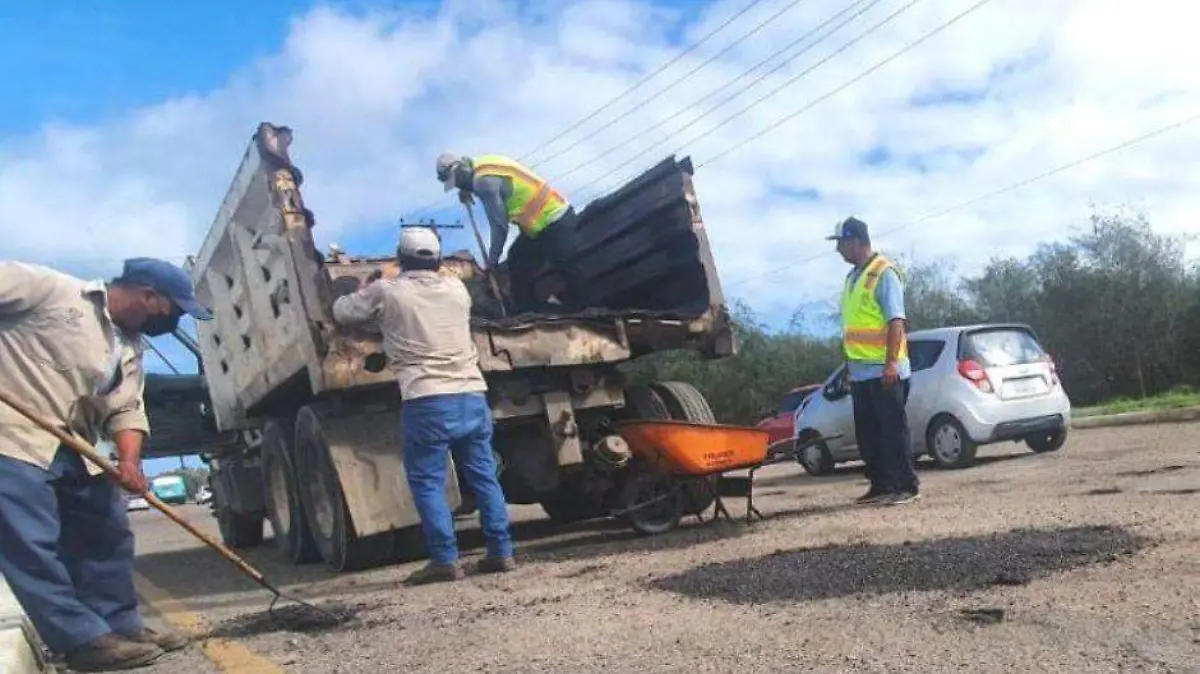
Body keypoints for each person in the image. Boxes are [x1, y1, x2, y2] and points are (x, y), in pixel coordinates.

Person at [0, 257, 213, 671]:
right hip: (14, 436)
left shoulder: (131, 347)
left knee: (106, 532)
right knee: (31, 543)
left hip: (75, 443)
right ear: (149, 296)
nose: (174, 322)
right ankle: (82, 641)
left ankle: (119, 626)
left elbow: (127, 410)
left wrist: (130, 462)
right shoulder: (51, 290)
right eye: (174, 310)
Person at [331, 226, 515, 585]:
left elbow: (344, 312)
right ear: (436, 256)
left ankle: (445, 560)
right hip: (472, 392)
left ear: (402, 258)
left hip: (427, 397)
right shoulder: (457, 289)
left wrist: (361, 287)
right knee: (483, 475)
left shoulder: (387, 291)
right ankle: (501, 552)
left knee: (429, 480)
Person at [827, 217, 920, 506]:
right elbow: (853, 327)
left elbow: (896, 322)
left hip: (885, 371)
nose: (838, 250)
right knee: (869, 434)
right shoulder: (852, 278)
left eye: (840, 243)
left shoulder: (884, 273)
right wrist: (848, 368)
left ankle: (905, 485)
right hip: (860, 373)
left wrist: (891, 363)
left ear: (855, 242)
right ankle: (880, 485)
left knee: (892, 431)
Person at [436, 151, 590, 313]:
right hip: (540, 226)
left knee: (563, 262)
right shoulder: (485, 163)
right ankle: (529, 312)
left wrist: (492, 262)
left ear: (461, 170)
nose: (458, 186)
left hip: (554, 219)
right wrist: (466, 189)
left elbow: (500, 226)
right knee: (517, 260)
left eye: (457, 182)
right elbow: (494, 183)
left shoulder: (484, 184)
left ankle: (584, 308)